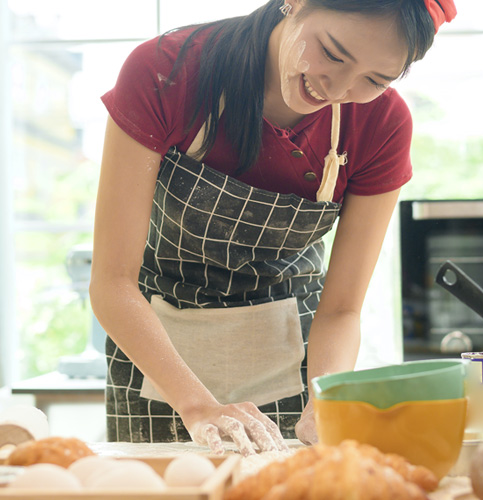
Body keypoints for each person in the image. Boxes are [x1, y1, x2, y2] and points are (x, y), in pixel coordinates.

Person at [89, 0, 456, 456]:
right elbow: (112, 282)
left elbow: (341, 309)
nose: (337, 88)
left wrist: (327, 399)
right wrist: (198, 405)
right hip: (157, 362)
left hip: (293, 361)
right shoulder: (168, 71)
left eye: (374, 80)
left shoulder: (380, 124)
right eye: (333, 53)